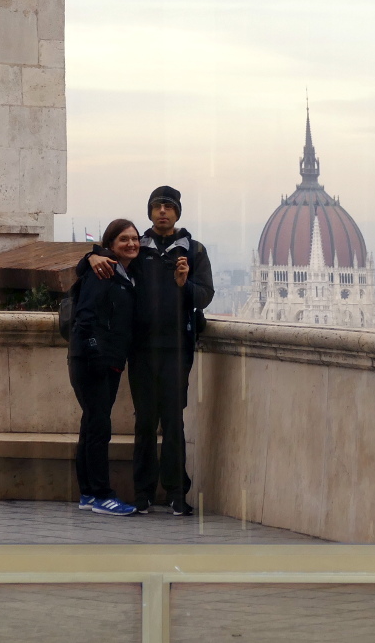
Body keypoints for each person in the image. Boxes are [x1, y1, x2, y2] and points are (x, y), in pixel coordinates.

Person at [88, 185, 213, 516]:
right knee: (144, 421)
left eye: (168, 207)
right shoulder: (137, 248)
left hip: (176, 348)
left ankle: (176, 493)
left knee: (173, 421)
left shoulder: (194, 251)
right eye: (157, 206)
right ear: (150, 212)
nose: (162, 212)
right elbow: (103, 258)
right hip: (141, 349)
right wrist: (91, 256)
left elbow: (205, 295)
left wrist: (185, 284)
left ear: (177, 213)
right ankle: (142, 493)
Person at [67, 218, 141, 516]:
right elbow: (85, 316)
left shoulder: (119, 272)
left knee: (91, 425)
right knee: (99, 427)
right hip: (93, 361)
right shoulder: (104, 272)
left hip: (100, 359)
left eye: (135, 238)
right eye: (124, 239)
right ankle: (101, 494)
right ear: (110, 244)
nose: (131, 243)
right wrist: (96, 353)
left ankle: (88, 493)